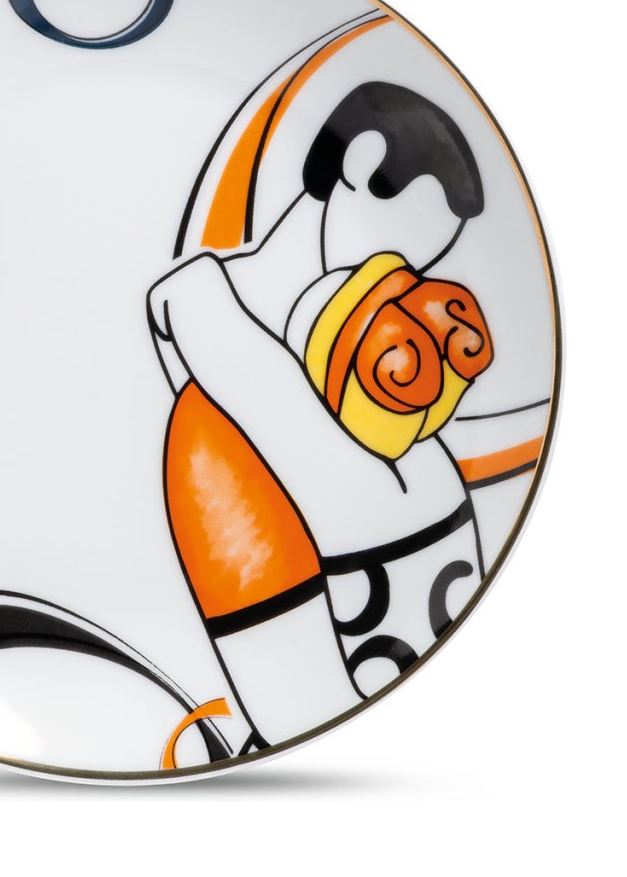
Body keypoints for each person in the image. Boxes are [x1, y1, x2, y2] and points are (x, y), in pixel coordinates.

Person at [148, 82, 493, 751]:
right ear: (358, 163)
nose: (406, 275)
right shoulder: (220, 370)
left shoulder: (236, 334)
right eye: (404, 246)